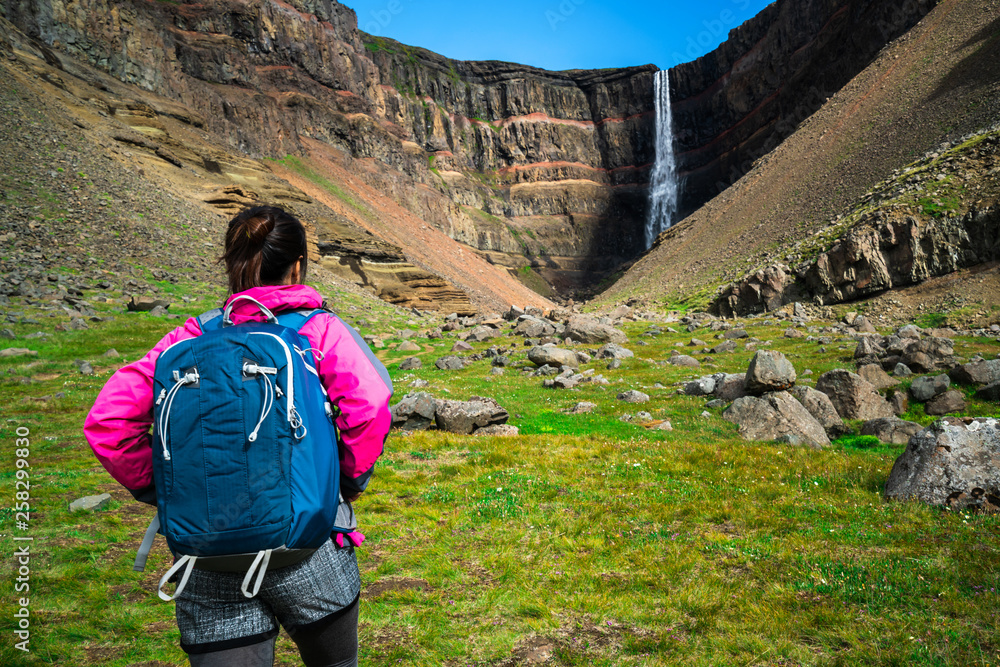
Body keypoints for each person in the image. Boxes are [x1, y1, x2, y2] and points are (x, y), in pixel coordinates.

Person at [84, 204, 392, 667]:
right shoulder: (320, 330)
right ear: (298, 266)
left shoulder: (189, 338)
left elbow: (108, 421)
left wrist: (170, 490)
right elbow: (369, 406)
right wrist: (340, 485)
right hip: (308, 549)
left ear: (232, 265)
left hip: (205, 561)